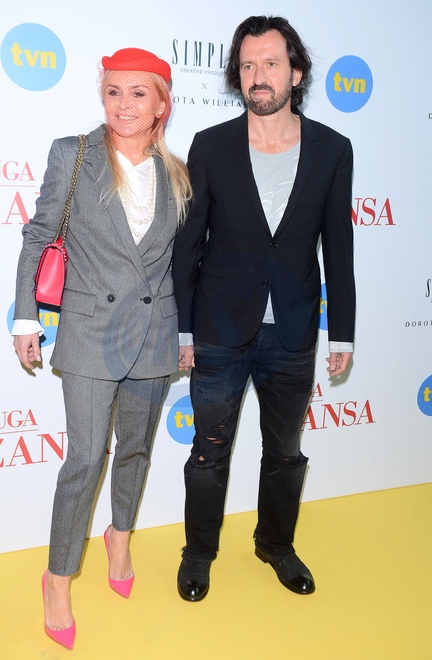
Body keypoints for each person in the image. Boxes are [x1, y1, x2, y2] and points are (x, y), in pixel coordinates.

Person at [172, 15, 355, 602]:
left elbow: (339, 246)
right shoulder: (210, 146)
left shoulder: (333, 149)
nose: (259, 75)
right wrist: (182, 329)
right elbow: (188, 246)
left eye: (271, 63)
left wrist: (343, 333)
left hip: (294, 332)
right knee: (208, 454)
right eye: (248, 65)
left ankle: (275, 544)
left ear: (295, 73)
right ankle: (199, 552)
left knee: (284, 453)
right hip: (218, 329)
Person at [13, 48, 191, 649]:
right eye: (114, 91)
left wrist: (184, 333)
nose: (124, 104)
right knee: (86, 458)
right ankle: (58, 578)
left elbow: (178, 264)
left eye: (139, 93)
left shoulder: (177, 172)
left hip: (155, 331)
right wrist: (25, 316)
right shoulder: (75, 154)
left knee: (135, 449)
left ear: (162, 104)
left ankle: (120, 536)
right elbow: (39, 234)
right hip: (90, 329)